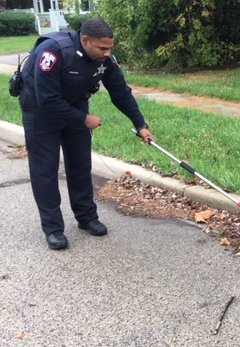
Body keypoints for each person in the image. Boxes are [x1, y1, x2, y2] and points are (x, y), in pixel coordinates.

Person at [18, 18, 154, 250]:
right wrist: (84, 119)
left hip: (75, 106)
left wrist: (140, 124)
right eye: (103, 48)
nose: (107, 53)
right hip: (41, 111)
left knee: (80, 165)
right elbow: (48, 99)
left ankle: (86, 217)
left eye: (110, 48)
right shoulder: (52, 52)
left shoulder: (105, 59)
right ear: (85, 40)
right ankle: (53, 229)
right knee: (45, 171)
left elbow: (120, 92)